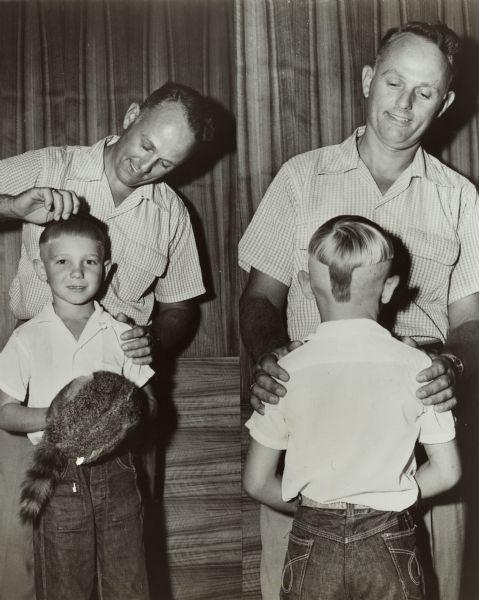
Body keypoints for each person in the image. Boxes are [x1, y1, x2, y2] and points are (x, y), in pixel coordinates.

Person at [239, 21, 479, 600]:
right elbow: (259, 298)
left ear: (444, 104)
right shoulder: (301, 177)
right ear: (369, 80)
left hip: (419, 421)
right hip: (311, 417)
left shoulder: (460, 197)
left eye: (424, 92)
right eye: (394, 82)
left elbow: (470, 319)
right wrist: (270, 357)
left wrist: (453, 367)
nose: (404, 103)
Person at [0, 81, 212, 600]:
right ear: (132, 114)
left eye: (166, 163)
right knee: (23, 554)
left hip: (123, 396)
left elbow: (181, 305)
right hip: (36, 387)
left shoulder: (173, 216)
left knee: (128, 556)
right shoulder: (53, 166)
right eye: (146, 145)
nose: (146, 166)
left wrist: (151, 342)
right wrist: (11, 206)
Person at [243, 216, 461, 600]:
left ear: (307, 286)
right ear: (390, 287)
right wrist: (388, 503)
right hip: (390, 539)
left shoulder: (284, 371)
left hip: (312, 538)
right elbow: (447, 472)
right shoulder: (420, 367)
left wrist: (321, 511)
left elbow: (257, 482)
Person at [0, 215, 156, 600]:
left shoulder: (123, 334)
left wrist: (122, 417)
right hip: (56, 468)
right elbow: (4, 410)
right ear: (41, 269)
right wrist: (51, 419)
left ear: (107, 269)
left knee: (128, 580)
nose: (77, 272)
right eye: (62, 262)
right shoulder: (26, 338)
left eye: (89, 261)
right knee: (65, 582)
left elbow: (151, 403)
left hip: (116, 467)